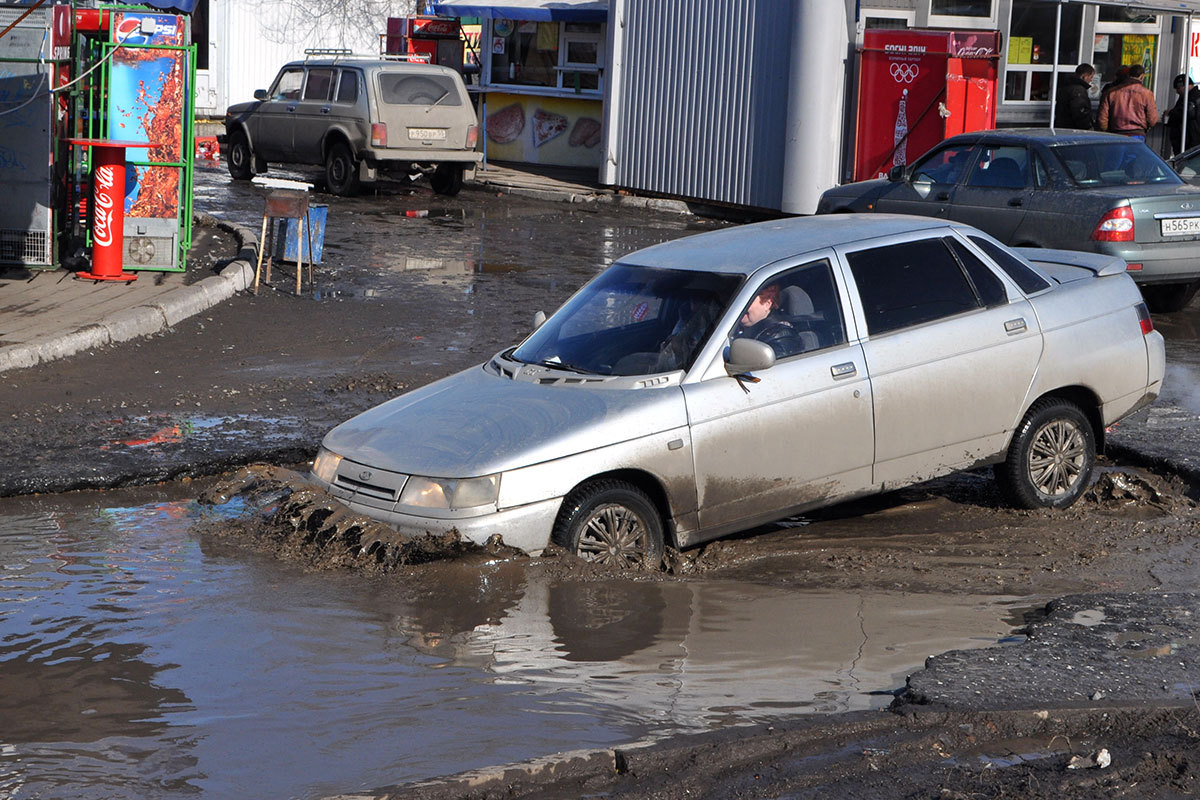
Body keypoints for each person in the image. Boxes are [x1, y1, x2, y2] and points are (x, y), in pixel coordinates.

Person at [732, 284, 798, 354]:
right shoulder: (730, 327)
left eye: (747, 301)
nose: (739, 307)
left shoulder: (778, 336)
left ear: (767, 304)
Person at [1098, 64, 1158, 140]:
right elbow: (1152, 119)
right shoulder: (1147, 93)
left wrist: (1107, 130)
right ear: (1142, 76)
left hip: (1116, 133)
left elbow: (1102, 119)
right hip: (1137, 133)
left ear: (1128, 75)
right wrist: (1146, 127)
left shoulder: (1111, 92)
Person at [1165, 73, 1200, 155]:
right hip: (1187, 142)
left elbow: (1187, 112)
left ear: (1185, 86)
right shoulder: (1186, 97)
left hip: (1191, 143)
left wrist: (1170, 113)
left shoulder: (1193, 98)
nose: (1177, 91)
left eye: (1178, 88)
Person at [1056, 63, 1095, 130]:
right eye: (1091, 77)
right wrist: (1087, 126)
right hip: (1074, 128)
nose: (1091, 80)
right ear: (1084, 76)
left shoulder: (1065, 86)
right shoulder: (1078, 90)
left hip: (1062, 125)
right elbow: (1080, 112)